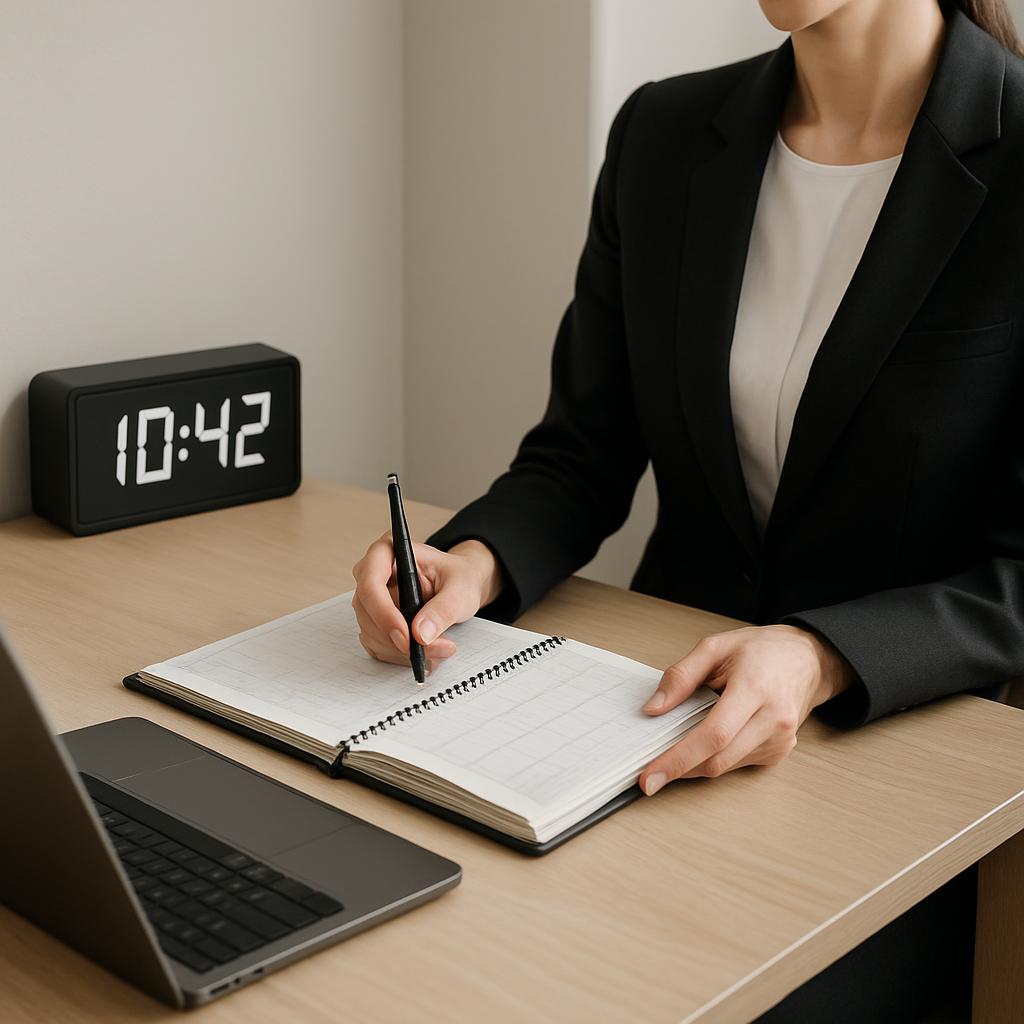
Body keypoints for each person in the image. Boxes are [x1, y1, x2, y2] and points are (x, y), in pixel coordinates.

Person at [354, 1, 1024, 1019]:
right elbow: (581, 451)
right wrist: (473, 560)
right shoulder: (663, 133)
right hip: (651, 729)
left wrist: (820, 652)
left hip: (897, 781)